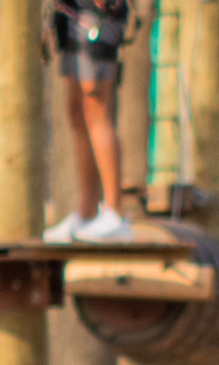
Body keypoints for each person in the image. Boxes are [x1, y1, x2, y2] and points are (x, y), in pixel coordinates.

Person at [43, 2, 134, 243]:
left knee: (96, 108)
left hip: (99, 15)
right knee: (75, 111)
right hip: (70, 13)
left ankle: (115, 213)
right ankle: (86, 213)